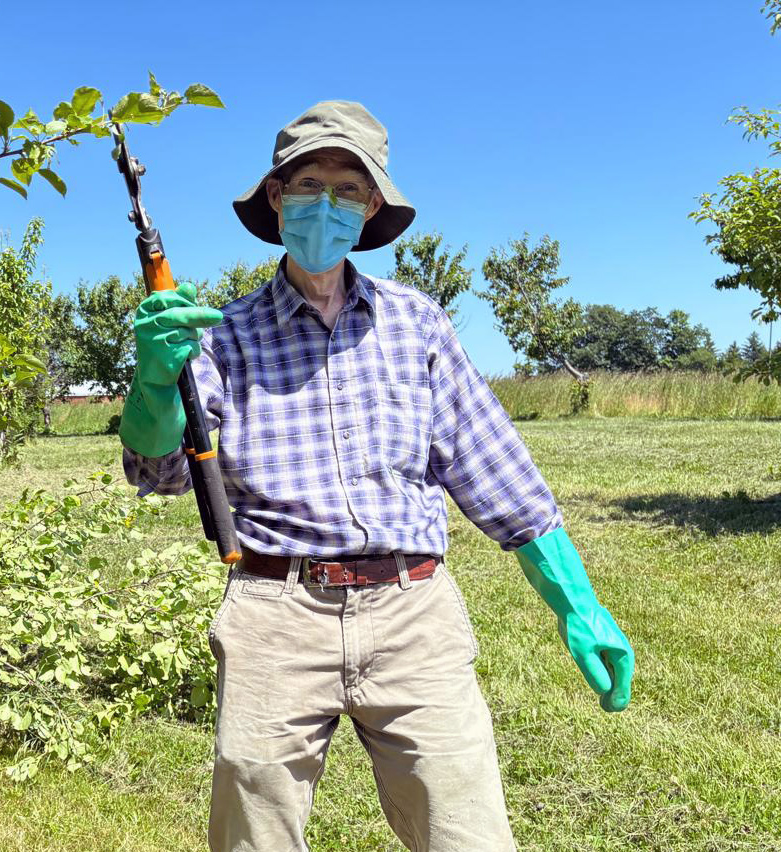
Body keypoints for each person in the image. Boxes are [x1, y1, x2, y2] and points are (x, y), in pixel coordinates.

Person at [119, 100, 634, 851]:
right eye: (306, 183)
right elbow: (160, 468)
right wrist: (154, 385)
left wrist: (578, 606)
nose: (324, 203)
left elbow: (498, 472)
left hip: (412, 613)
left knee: (467, 833)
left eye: (347, 189)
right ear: (275, 197)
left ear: (368, 211)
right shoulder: (220, 334)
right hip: (273, 611)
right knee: (251, 835)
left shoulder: (415, 322)